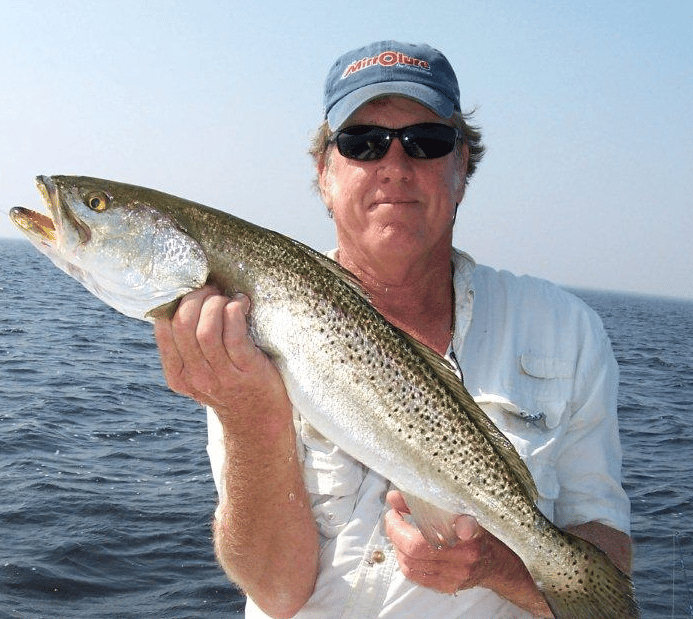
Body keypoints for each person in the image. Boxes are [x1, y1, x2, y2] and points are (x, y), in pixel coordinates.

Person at [154, 41, 633, 619]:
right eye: (363, 143)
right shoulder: (251, 319)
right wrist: (247, 412)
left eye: (426, 142)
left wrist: (502, 570)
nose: (395, 166)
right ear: (324, 174)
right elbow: (277, 592)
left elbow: (603, 542)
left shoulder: (565, 329)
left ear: (462, 169)